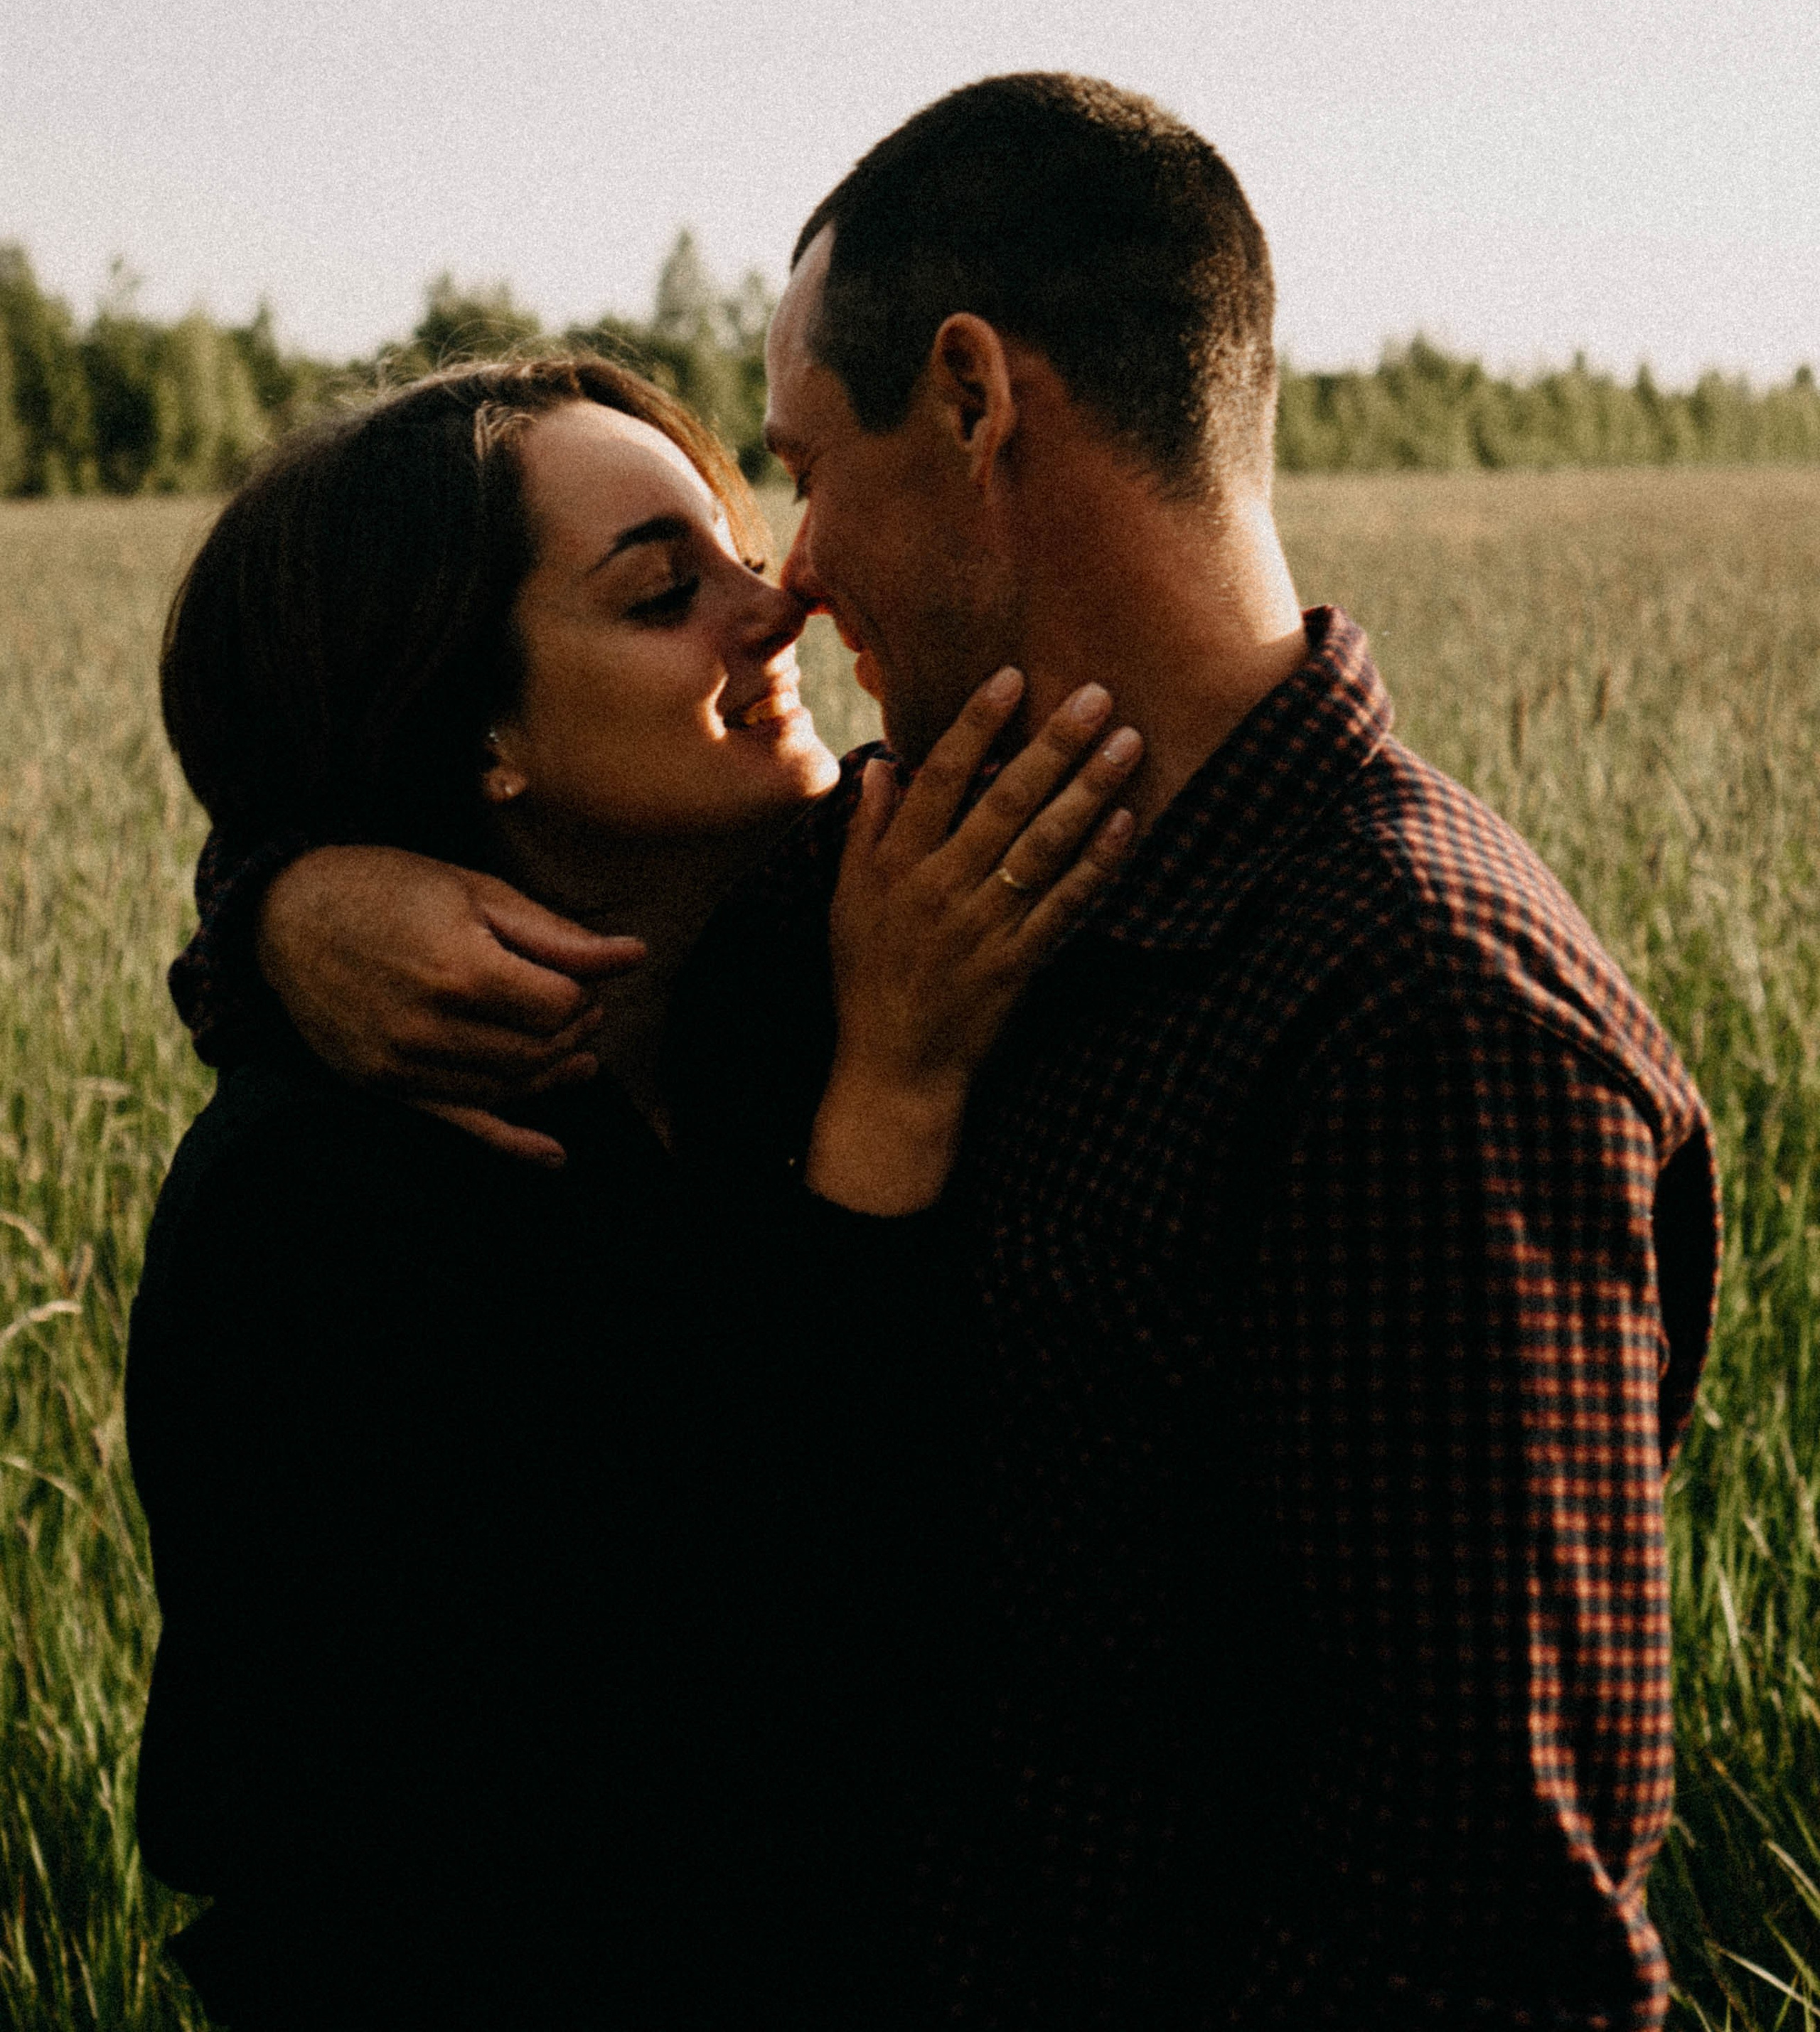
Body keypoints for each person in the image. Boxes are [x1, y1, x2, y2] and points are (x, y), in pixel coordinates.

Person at [175, 76, 1721, 2031]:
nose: (791, 580)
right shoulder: (909, 888)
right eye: (690, 572)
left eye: (801, 476)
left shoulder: (1423, 1014)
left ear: (978, 402)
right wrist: (290, 895)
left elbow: (1479, 1935)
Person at [131, 348, 1140, 2031]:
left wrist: (271, 902)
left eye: (744, 549)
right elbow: (739, 1700)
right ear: (480, 740)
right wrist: (889, 1106)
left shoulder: (810, 955)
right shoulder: (321, 1211)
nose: (781, 608)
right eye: (668, 591)